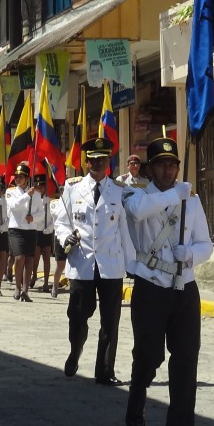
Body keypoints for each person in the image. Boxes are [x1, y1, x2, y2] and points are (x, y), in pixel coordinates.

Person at [121, 137, 213, 426]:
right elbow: (137, 213)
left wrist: (190, 254)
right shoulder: (135, 193)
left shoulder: (192, 201)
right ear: (150, 168)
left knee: (187, 358)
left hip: (184, 286)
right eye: (161, 164)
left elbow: (206, 244)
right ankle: (136, 397)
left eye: (172, 164)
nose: (168, 169)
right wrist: (175, 195)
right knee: (149, 356)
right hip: (150, 284)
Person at [54, 137, 131, 384]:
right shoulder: (72, 188)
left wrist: (131, 265)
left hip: (110, 264)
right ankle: (75, 351)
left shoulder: (119, 191)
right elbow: (61, 221)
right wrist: (67, 237)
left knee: (111, 321)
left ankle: (105, 370)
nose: (99, 164)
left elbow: (125, 230)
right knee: (77, 316)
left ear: (109, 161)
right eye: (94, 160)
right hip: (81, 262)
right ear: (86, 162)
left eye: (104, 159)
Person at [6, 162, 42, 302]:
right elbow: (14, 206)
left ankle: (26, 290)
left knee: (29, 260)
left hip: (31, 229)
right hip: (16, 229)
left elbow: (42, 212)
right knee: (19, 257)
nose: (17, 178)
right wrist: (27, 195)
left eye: (21, 176)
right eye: (16, 176)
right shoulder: (10, 192)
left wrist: (34, 217)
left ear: (27, 178)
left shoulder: (36, 195)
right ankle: (17, 286)